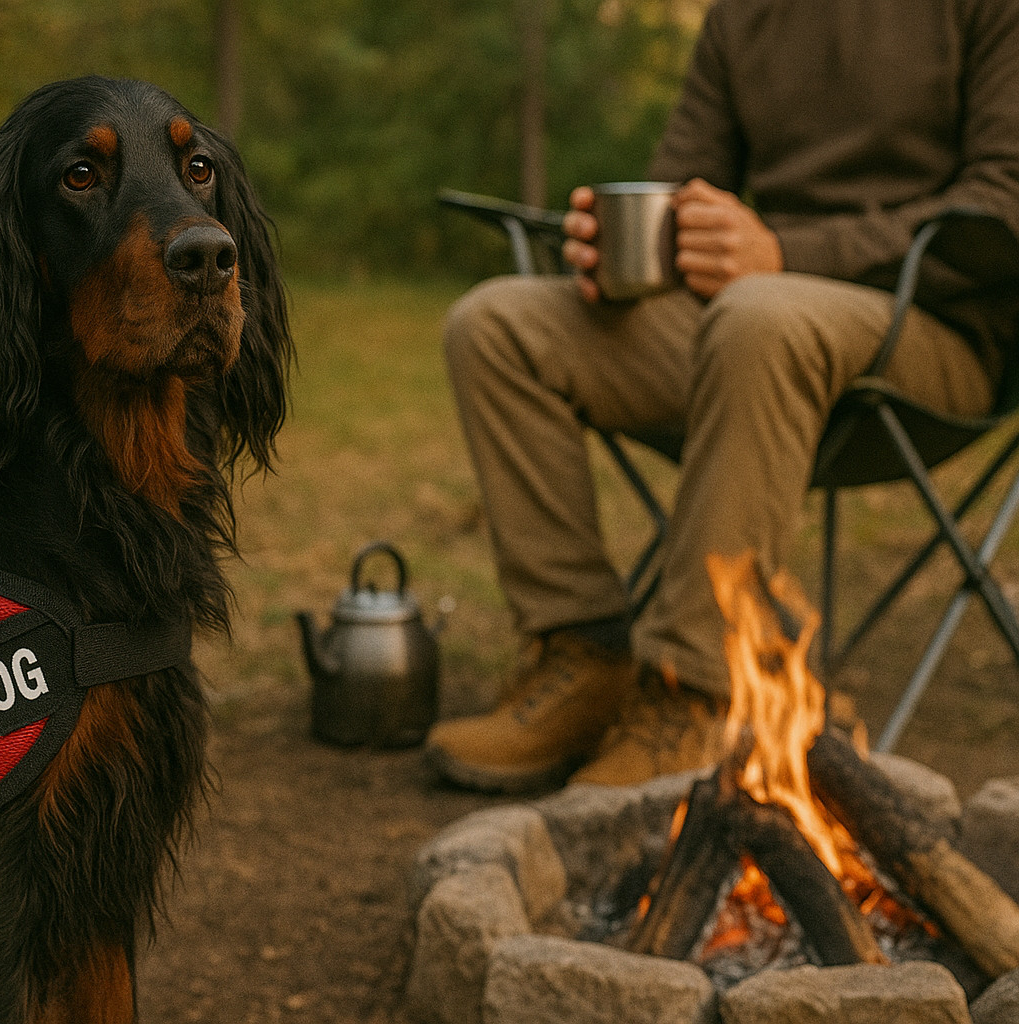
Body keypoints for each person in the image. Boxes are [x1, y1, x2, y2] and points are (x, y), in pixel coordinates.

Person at [425, 0, 1019, 794]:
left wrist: (783, 251)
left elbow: (1004, 204)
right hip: (752, 332)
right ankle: (585, 656)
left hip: (934, 331)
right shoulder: (743, 14)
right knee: (496, 324)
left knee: (757, 314)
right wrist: (626, 250)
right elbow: (680, 188)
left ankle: (697, 697)